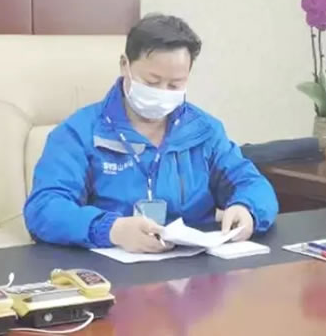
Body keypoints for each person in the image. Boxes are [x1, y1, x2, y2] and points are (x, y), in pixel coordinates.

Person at [24, 14, 278, 252]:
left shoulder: (204, 131)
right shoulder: (80, 132)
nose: (162, 93)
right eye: (152, 82)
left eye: (175, 85)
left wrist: (247, 209)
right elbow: (44, 208)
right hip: (113, 267)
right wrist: (111, 229)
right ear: (125, 65)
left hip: (195, 270)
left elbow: (252, 184)